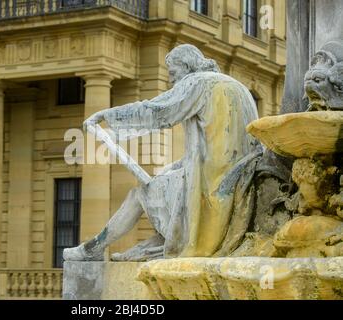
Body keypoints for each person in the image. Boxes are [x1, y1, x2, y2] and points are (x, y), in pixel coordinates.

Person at [63, 44, 263, 262]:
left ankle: (93, 248)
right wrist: (174, 167)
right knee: (172, 207)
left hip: (211, 186)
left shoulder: (197, 82)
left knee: (140, 194)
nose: (171, 80)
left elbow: (157, 111)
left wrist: (107, 115)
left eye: (173, 73)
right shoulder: (237, 86)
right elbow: (216, 147)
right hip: (237, 181)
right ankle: (141, 252)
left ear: (187, 67)